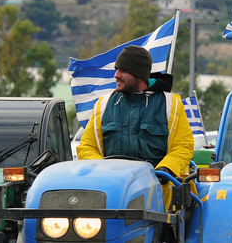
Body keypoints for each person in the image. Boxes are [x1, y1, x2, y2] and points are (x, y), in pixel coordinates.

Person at [77, 45, 194, 183]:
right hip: (114, 190)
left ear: (138, 74)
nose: (116, 75)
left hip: (160, 193)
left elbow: (183, 146)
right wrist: (104, 170)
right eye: (116, 70)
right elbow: (86, 147)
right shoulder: (103, 105)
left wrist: (167, 168)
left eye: (123, 70)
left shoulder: (171, 105)